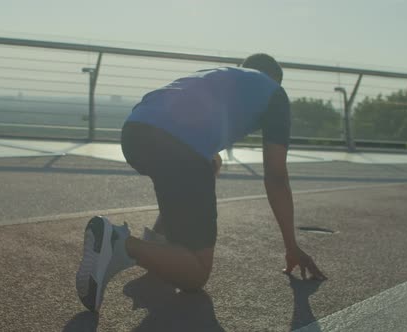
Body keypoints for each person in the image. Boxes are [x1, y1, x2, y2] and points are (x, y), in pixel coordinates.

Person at [76, 53, 326, 312]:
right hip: (179, 147)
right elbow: (276, 176)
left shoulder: (221, 74)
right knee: (195, 275)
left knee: (208, 165)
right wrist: (291, 245)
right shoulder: (275, 93)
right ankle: (119, 242)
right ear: (277, 81)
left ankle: (160, 246)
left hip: (135, 132)